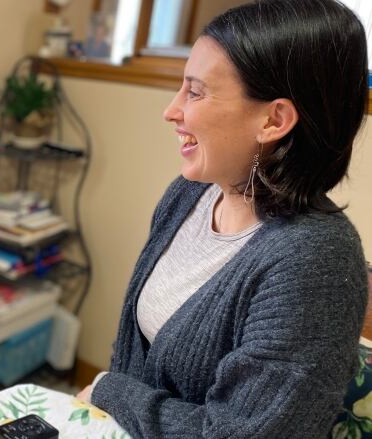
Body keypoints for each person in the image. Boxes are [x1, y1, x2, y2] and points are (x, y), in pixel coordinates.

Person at [77, 0, 369, 437]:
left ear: (274, 120)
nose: (172, 110)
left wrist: (111, 391)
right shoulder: (190, 194)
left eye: (195, 92)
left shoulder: (316, 261)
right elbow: (135, 349)